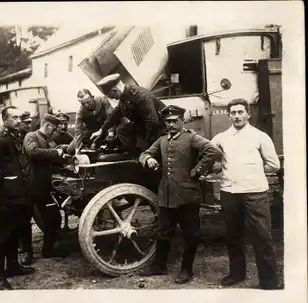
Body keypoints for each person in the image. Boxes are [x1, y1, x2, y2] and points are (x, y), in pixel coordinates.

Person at [139, 105, 223, 284]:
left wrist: (197, 170)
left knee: (190, 235)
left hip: (187, 197)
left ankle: (186, 270)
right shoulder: (162, 140)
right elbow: (144, 153)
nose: (170, 124)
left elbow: (214, 151)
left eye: (174, 121)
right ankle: (159, 266)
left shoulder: (192, 138)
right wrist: (149, 159)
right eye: (167, 121)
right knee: (162, 233)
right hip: (166, 197)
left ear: (182, 121)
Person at [211, 98, 281, 290]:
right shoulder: (220, 138)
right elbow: (211, 159)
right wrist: (219, 168)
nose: (237, 116)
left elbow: (274, 165)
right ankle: (236, 274)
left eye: (241, 112)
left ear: (248, 114)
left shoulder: (260, 136)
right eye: (233, 113)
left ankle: (269, 281)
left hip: (255, 193)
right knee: (233, 236)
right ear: (228, 116)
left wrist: (253, 172)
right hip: (229, 193)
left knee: (262, 237)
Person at [0, 106, 36, 290]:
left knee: (16, 231)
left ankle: (13, 266)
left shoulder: (17, 137)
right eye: (13, 118)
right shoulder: (0, 141)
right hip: (9, 196)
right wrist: (5, 184)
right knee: (3, 236)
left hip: (21, 195)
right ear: (5, 120)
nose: (17, 120)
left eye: (18, 117)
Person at [23, 114, 69, 258]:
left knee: (52, 217)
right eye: (53, 128)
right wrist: (56, 152)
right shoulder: (31, 136)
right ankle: (27, 252)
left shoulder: (48, 140)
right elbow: (34, 152)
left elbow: (52, 160)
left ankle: (48, 249)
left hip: (43, 186)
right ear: (47, 125)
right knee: (24, 221)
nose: (54, 132)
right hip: (29, 186)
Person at [91, 73, 167, 157]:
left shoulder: (141, 97)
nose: (112, 98)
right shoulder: (125, 96)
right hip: (144, 126)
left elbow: (152, 122)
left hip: (161, 129)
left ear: (115, 90)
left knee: (145, 145)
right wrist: (102, 130)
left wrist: (146, 145)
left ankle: (145, 155)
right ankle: (136, 156)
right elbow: (116, 113)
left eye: (111, 96)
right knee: (122, 130)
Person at [67, 89, 114, 154]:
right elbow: (78, 132)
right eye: (83, 104)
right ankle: (90, 146)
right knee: (70, 150)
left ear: (92, 97)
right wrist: (77, 150)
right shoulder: (80, 111)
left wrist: (111, 132)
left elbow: (111, 117)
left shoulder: (103, 101)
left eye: (88, 102)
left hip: (105, 128)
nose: (86, 105)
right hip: (90, 132)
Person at [15, 110, 35, 266]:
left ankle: (28, 251)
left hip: (28, 182)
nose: (29, 125)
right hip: (16, 182)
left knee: (25, 217)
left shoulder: (29, 137)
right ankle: (22, 247)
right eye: (26, 122)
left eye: (30, 122)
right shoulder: (14, 139)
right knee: (18, 216)